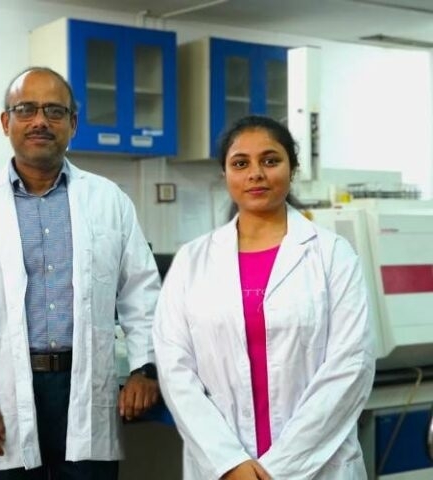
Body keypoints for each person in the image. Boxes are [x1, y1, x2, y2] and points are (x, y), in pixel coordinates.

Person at [0, 66, 162, 479]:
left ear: (73, 123)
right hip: (3, 391)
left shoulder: (108, 199)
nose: (40, 121)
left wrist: (144, 368)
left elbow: (141, 293)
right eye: (26, 109)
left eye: (54, 111)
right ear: (5, 121)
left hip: (84, 384)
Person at [153, 115, 375, 479]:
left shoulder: (333, 255)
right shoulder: (192, 261)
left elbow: (351, 366)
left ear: (292, 168)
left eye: (270, 160)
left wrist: (278, 470)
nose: (255, 173)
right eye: (240, 163)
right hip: (224, 470)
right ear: (225, 174)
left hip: (316, 466)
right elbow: (175, 369)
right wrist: (229, 463)